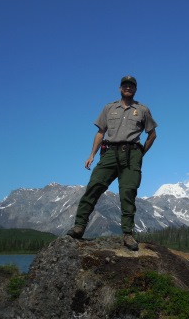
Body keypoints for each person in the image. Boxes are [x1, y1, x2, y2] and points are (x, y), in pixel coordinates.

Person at [67, 75, 157, 251]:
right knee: (94, 186)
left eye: (131, 85)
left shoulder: (143, 109)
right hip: (109, 153)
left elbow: (152, 134)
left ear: (135, 89)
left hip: (132, 154)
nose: (128, 87)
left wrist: (140, 153)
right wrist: (91, 154)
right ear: (119, 88)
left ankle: (128, 234)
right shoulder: (109, 108)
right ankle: (78, 227)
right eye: (125, 85)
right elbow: (101, 132)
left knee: (128, 193)